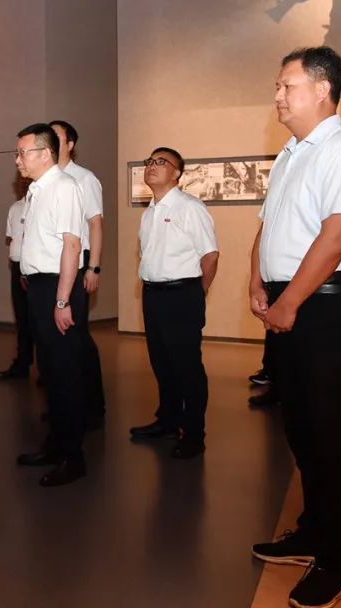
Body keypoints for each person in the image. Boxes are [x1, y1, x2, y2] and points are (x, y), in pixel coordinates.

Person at [249, 47, 341, 608]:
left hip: (326, 306)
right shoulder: (289, 153)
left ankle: (337, 561)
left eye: (287, 85)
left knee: (334, 437)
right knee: (301, 428)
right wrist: (257, 281)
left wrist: (289, 302)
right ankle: (313, 532)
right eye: (278, 86)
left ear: (322, 89)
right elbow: (267, 225)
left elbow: (338, 234)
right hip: (291, 302)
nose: (278, 95)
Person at [128, 147, 219, 459]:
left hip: (182, 295)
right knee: (162, 363)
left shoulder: (189, 207)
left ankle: (194, 434)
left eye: (160, 162)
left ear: (177, 173)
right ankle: (167, 421)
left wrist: (196, 293)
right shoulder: (148, 212)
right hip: (153, 295)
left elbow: (210, 256)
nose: (151, 166)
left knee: (187, 367)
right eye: (149, 161)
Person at [13, 123, 89, 486]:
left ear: (45, 153)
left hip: (58, 289)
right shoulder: (37, 190)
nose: (18, 161)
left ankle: (74, 457)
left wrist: (62, 300)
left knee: (65, 375)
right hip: (40, 287)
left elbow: (72, 246)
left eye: (23, 153)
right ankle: (56, 445)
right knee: (50, 373)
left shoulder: (64, 187)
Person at [49, 120, 107, 428]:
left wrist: (93, 267)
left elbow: (96, 224)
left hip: (77, 260)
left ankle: (92, 404)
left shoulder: (84, 179)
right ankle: (64, 404)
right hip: (52, 264)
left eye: (56, 136)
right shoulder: (45, 180)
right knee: (56, 341)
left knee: (77, 336)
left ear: (70, 145)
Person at [0, 177, 34, 380]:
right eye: (20, 183)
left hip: (36, 270)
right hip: (17, 268)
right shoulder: (15, 208)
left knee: (39, 321)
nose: (22, 185)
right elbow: (12, 238)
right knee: (22, 318)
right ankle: (22, 363)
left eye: (26, 182)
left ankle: (47, 370)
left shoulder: (41, 206)